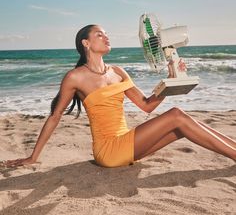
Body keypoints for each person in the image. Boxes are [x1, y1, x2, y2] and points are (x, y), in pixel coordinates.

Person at [2, 24, 236, 169]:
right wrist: (33, 157)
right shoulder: (75, 77)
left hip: (128, 143)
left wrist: (172, 77)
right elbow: (54, 117)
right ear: (86, 43)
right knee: (177, 115)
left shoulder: (118, 72)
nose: (106, 37)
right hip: (108, 151)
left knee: (180, 127)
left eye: (107, 34)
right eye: (99, 34)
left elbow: (147, 106)